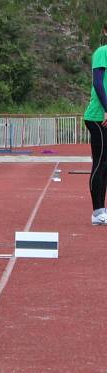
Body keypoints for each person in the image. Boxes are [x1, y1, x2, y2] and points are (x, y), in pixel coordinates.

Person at [85, 24, 107, 226]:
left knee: (106, 164)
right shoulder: (103, 52)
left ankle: (102, 209)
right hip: (98, 117)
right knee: (100, 163)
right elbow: (98, 83)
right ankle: (97, 211)